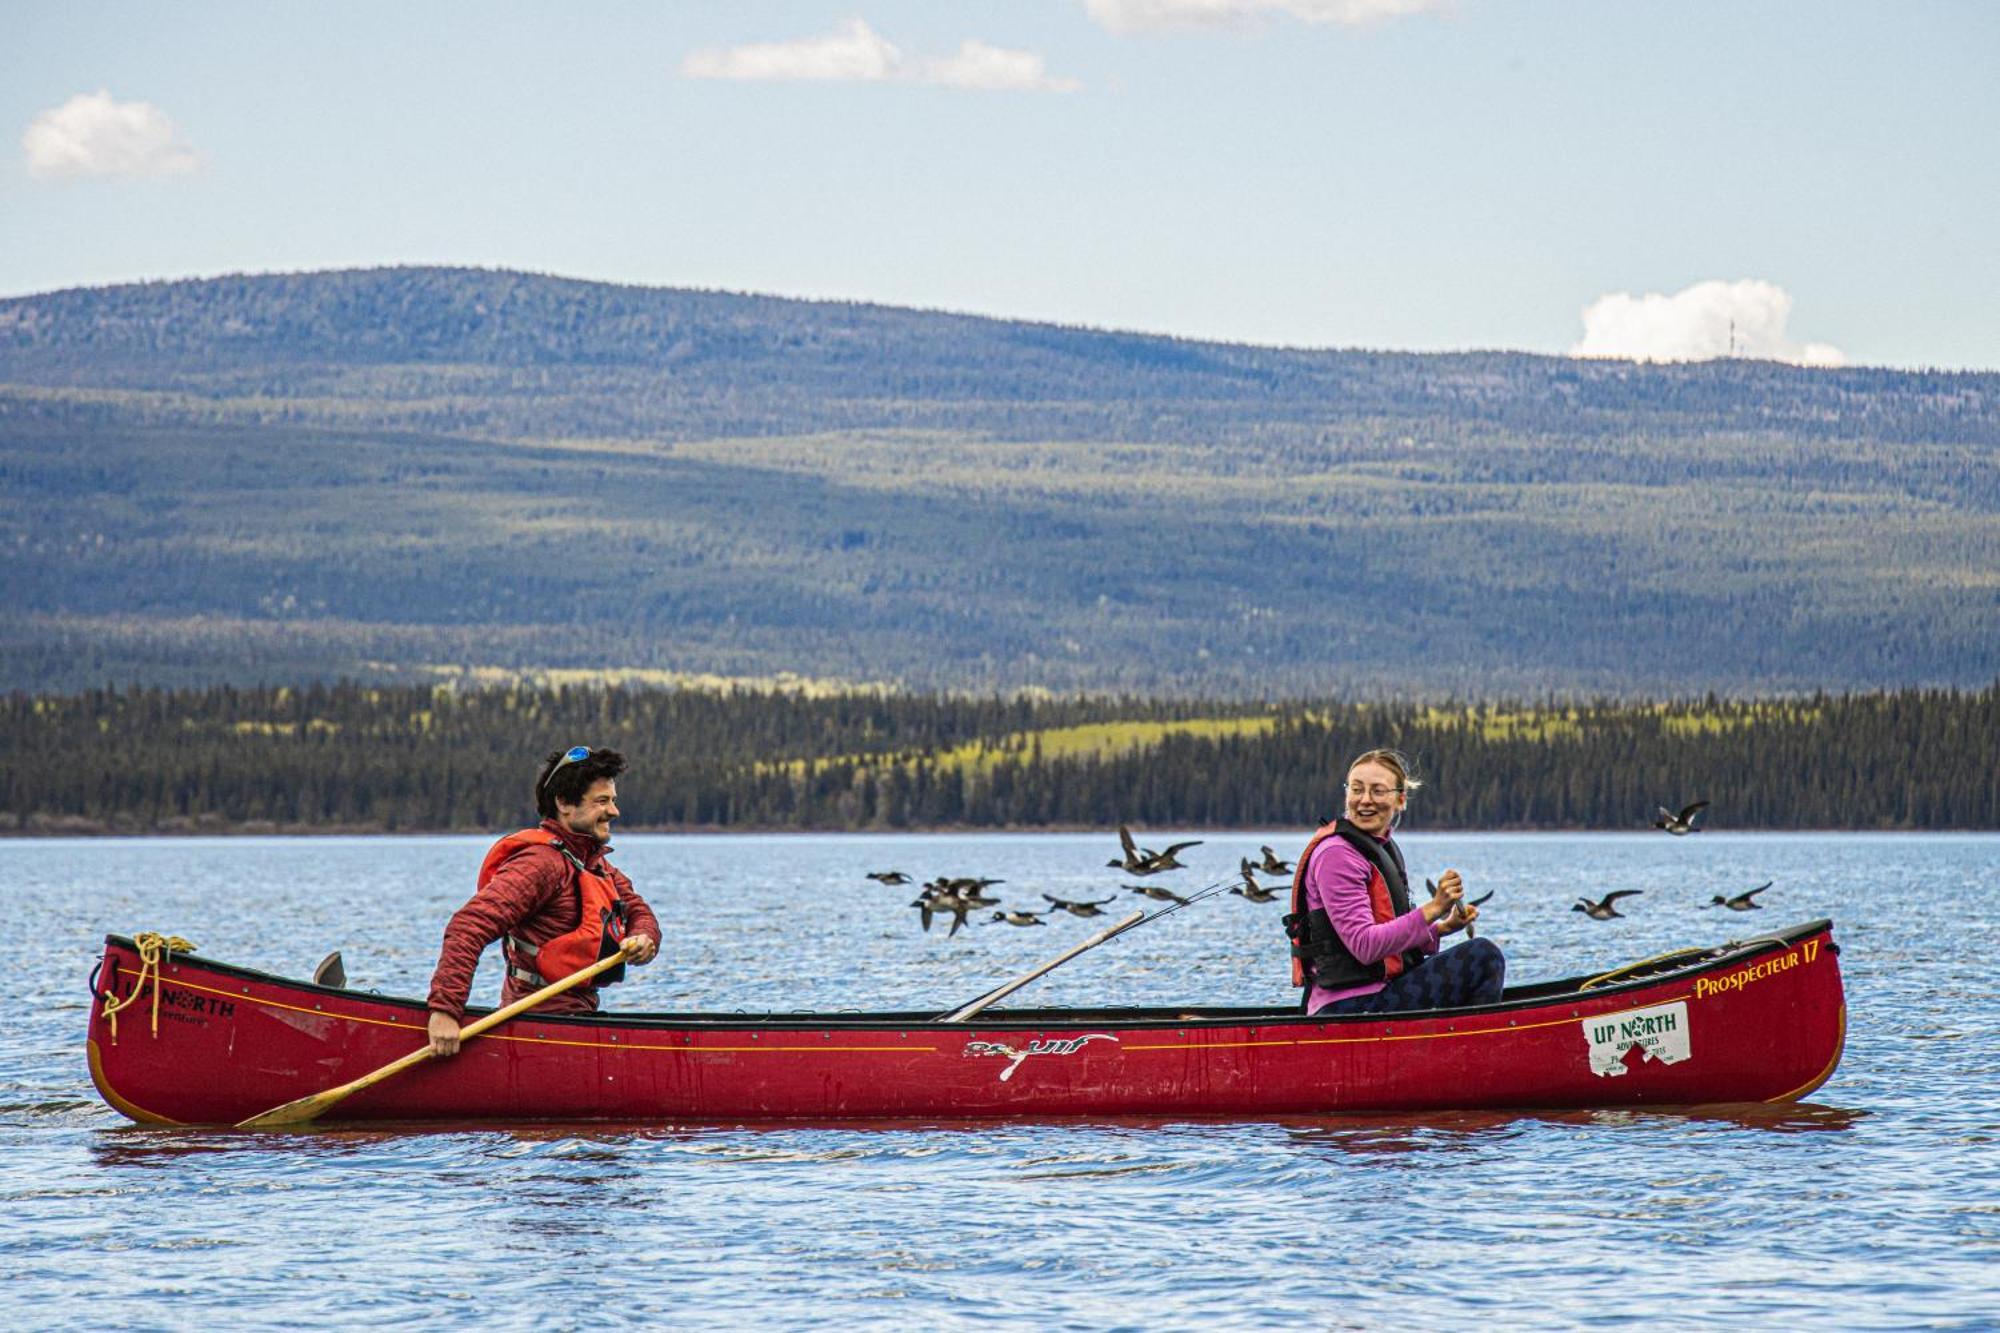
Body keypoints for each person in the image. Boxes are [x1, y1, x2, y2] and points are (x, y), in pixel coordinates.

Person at [426, 745, 661, 1056]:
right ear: (563, 803)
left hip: (577, 1020)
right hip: (534, 1030)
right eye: (602, 801)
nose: (614, 811)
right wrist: (445, 1011)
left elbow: (639, 912)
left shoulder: (594, 863)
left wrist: (642, 937)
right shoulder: (540, 864)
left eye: (613, 801)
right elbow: (469, 926)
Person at [1283, 748, 1505, 1015]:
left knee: (1480, 956)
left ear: (1400, 799)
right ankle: (1474, 1048)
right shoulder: (1337, 855)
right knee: (1483, 956)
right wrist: (1432, 909)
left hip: (1380, 993)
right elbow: (1365, 946)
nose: (1365, 800)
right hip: (1347, 1007)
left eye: (1377, 791)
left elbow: (1391, 933)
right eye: (1356, 789)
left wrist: (1442, 928)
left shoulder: (1380, 847)